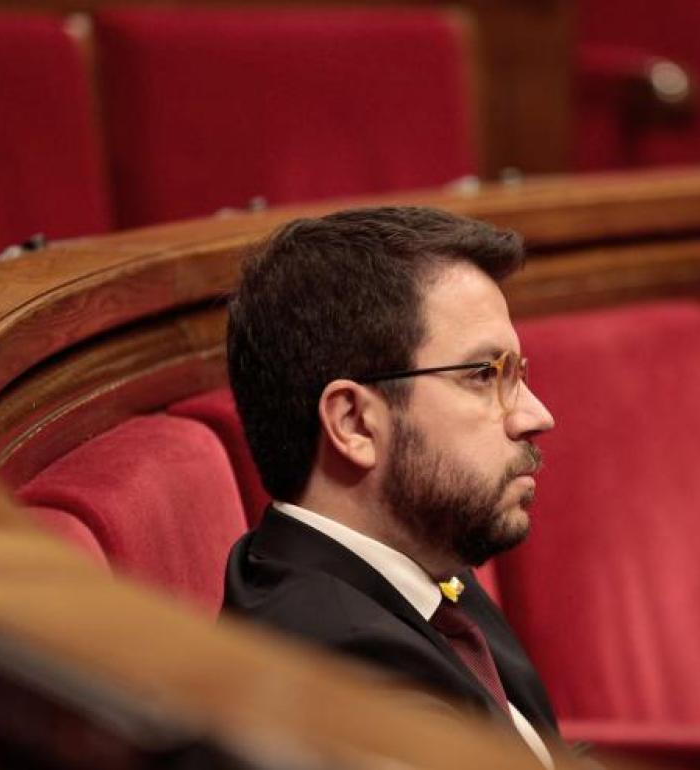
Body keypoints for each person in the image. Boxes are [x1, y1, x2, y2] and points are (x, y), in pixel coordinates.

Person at [223, 206, 560, 766]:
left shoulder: (422, 565)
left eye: (517, 375)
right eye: (483, 375)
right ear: (354, 423)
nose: (536, 415)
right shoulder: (340, 676)